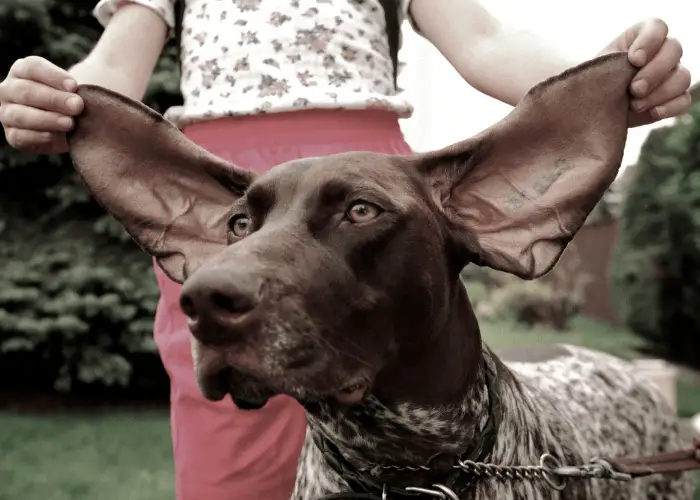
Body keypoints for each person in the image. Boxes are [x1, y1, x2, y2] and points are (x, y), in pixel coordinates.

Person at [0, 1, 691, 499]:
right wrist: (55, 98)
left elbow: (485, 43)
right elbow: (110, 69)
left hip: (374, 194)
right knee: (228, 458)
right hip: (229, 209)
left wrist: (604, 78)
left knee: (420, 412)